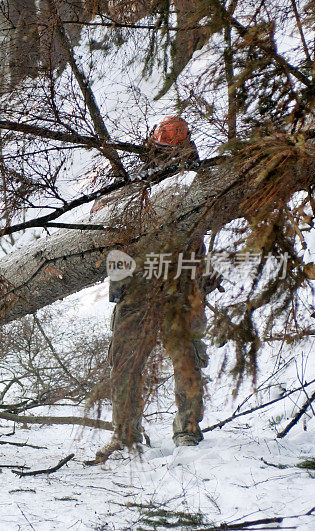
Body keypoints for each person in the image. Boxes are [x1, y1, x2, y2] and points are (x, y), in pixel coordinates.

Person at [93, 117, 211, 462]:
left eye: (174, 146)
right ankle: (126, 432)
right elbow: (98, 217)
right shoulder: (127, 174)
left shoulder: (197, 177)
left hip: (180, 282)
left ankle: (188, 429)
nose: (168, 153)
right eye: (163, 147)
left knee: (187, 358)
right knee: (126, 360)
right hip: (135, 284)